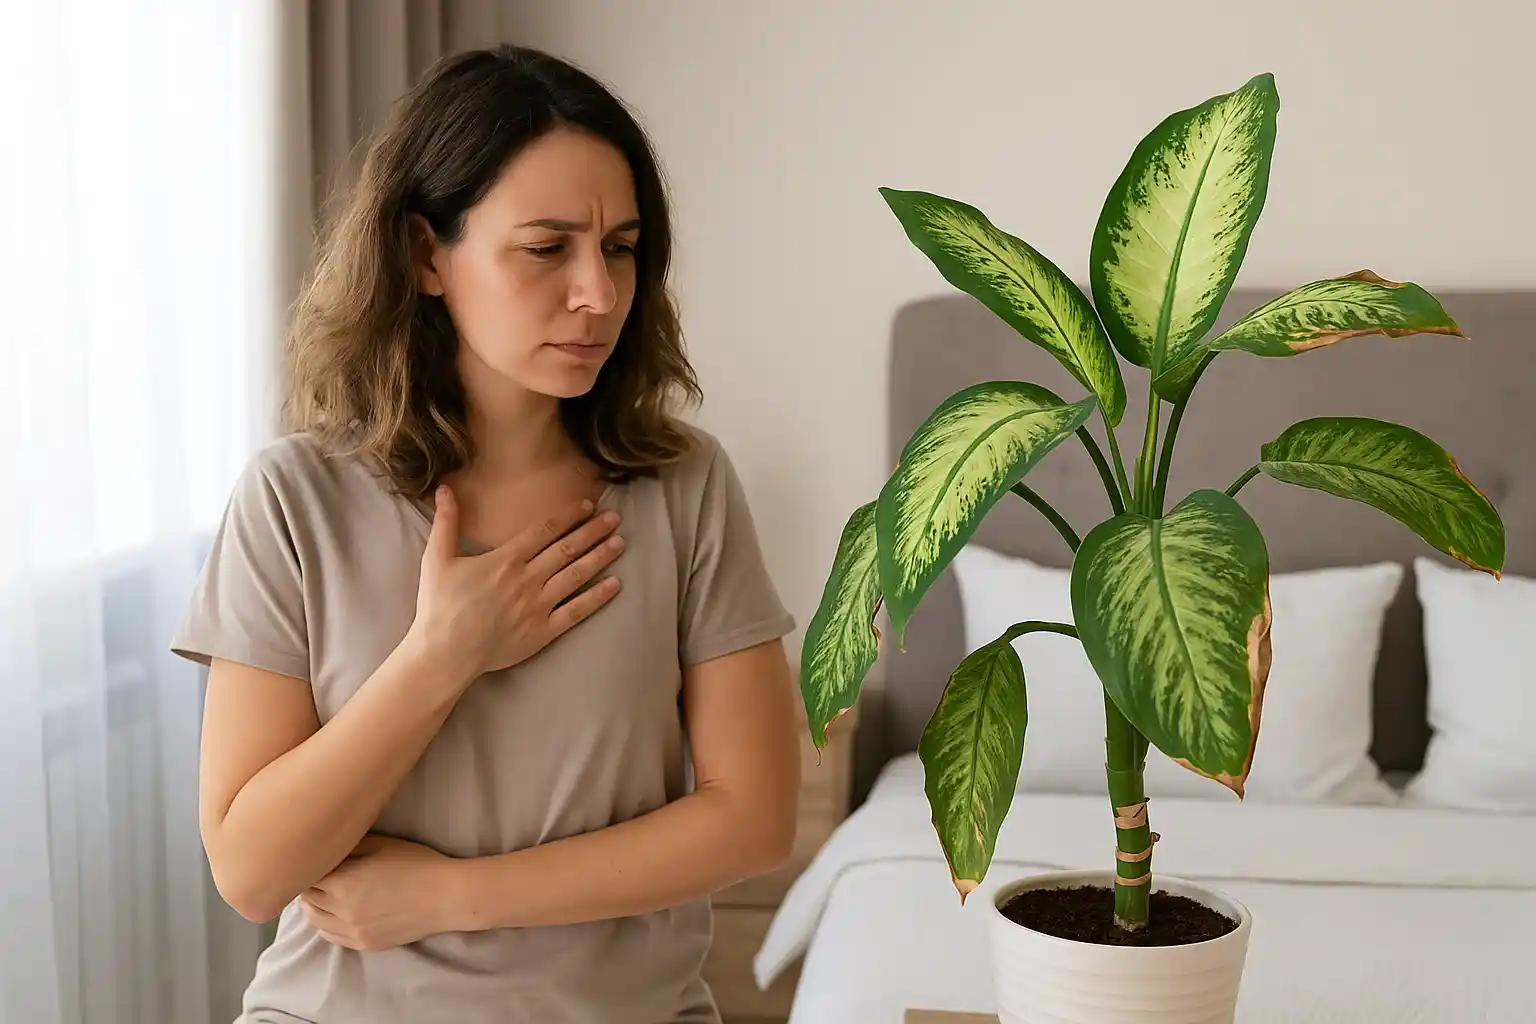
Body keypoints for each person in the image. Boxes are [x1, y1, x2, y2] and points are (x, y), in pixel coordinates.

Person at [170, 43, 801, 1024]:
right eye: (547, 248)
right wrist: (441, 655)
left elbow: (755, 819)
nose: (598, 292)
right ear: (428, 255)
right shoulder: (292, 500)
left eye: (622, 247)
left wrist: (451, 896)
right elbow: (252, 871)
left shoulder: (684, 487)